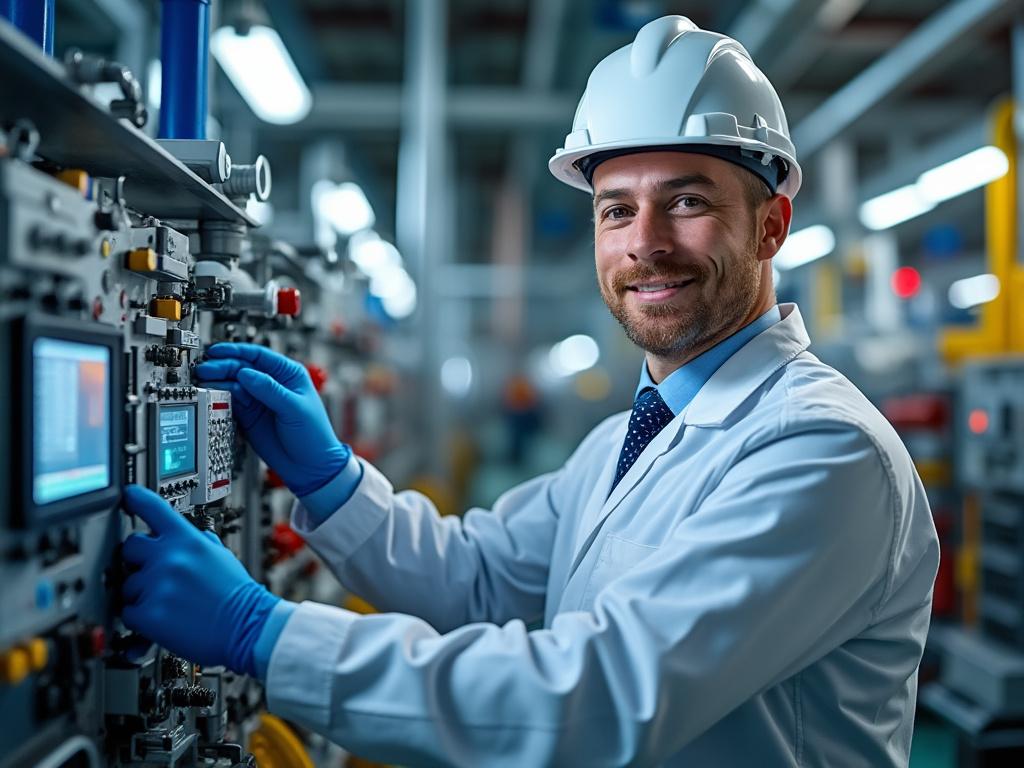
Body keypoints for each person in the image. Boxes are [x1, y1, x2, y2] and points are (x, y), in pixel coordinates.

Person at [119, 16, 939, 767]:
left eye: (687, 201)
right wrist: (330, 483)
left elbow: (594, 700)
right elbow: (478, 580)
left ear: (771, 227)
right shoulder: (630, 437)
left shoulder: (824, 450)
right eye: (617, 209)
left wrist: (261, 633)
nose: (644, 244)